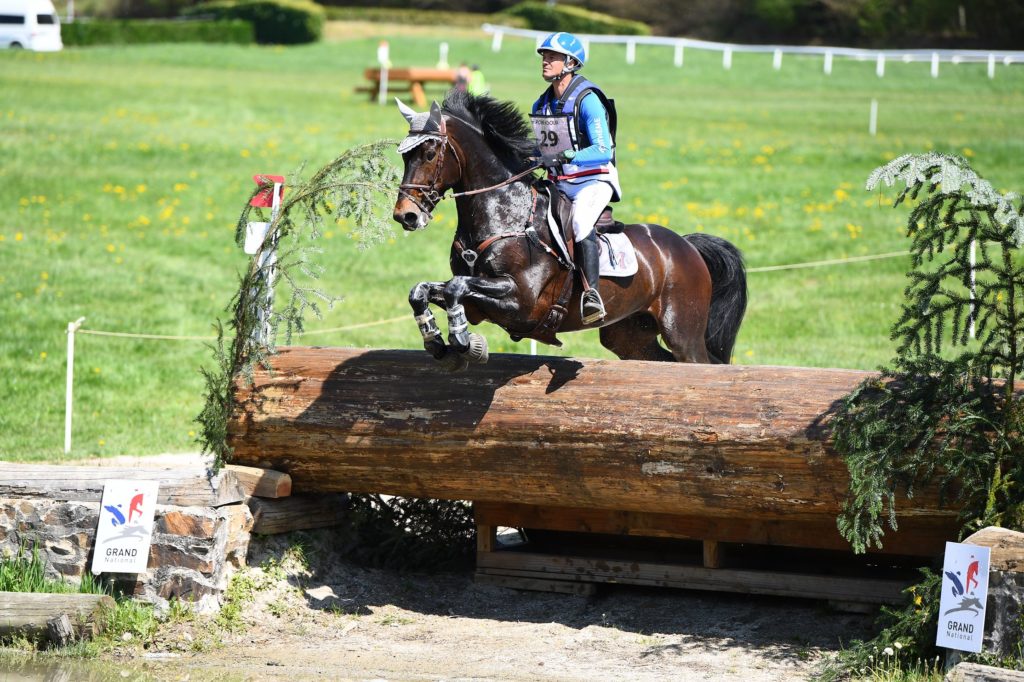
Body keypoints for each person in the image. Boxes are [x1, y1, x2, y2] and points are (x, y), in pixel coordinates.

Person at [530, 31, 620, 325]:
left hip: (593, 181)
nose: (545, 61)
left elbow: (603, 150)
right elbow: (544, 148)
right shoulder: (541, 105)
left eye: (552, 56)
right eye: (544, 55)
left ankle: (592, 294)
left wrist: (569, 156)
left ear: (570, 62)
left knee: (581, 222)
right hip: (559, 183)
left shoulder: (588, 100)